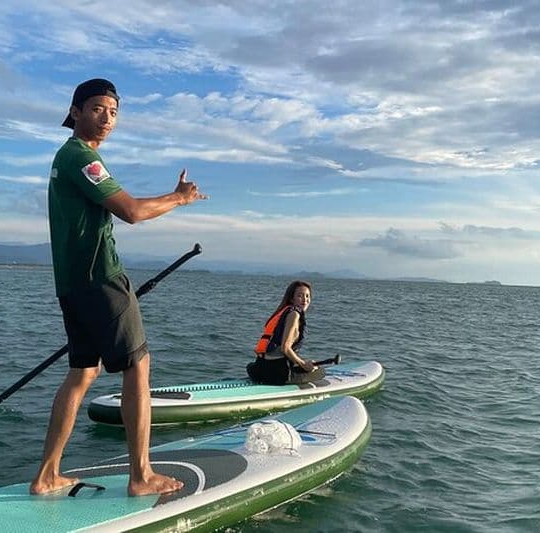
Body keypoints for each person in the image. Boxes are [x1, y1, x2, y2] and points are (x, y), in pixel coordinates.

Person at [30, 78, 207, 496]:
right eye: (97, 109)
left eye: (113, 112)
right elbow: (130, 211)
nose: (106, 118)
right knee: (137, 367)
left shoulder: (70, 158)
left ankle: (47, 476)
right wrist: (179, 198)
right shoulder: (81, 158)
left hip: (73, 284)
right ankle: (141, 476)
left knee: (84, 371)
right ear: (75, 112)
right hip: (100, 279)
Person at [247, 280, 326, 385]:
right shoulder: (294, 314)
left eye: (307, 296)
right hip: (277, 372)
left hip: (259, 368)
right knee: (320, 372)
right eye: (300, 296)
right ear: (291, 298)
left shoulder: (283, 311)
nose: (305, 300)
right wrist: (303, 364)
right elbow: (285, 348)